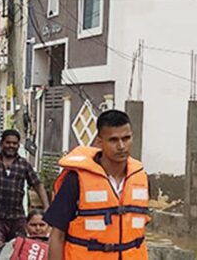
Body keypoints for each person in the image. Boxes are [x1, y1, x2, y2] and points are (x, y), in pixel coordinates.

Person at [44, 109, 150, 260]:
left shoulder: (140, 178)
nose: (121, 146)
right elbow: (57, 236)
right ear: (99, 142)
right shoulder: (76, 180)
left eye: (126, 138)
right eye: (113, 140)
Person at [0, 130, 50, 251]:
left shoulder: (24, 165)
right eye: (8, 142)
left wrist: (47, 208)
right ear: (2, 143)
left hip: (17, 216)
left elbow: (38, 185)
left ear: (18, 145)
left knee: (20, 247)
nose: (11, 146)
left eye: (14, 143)